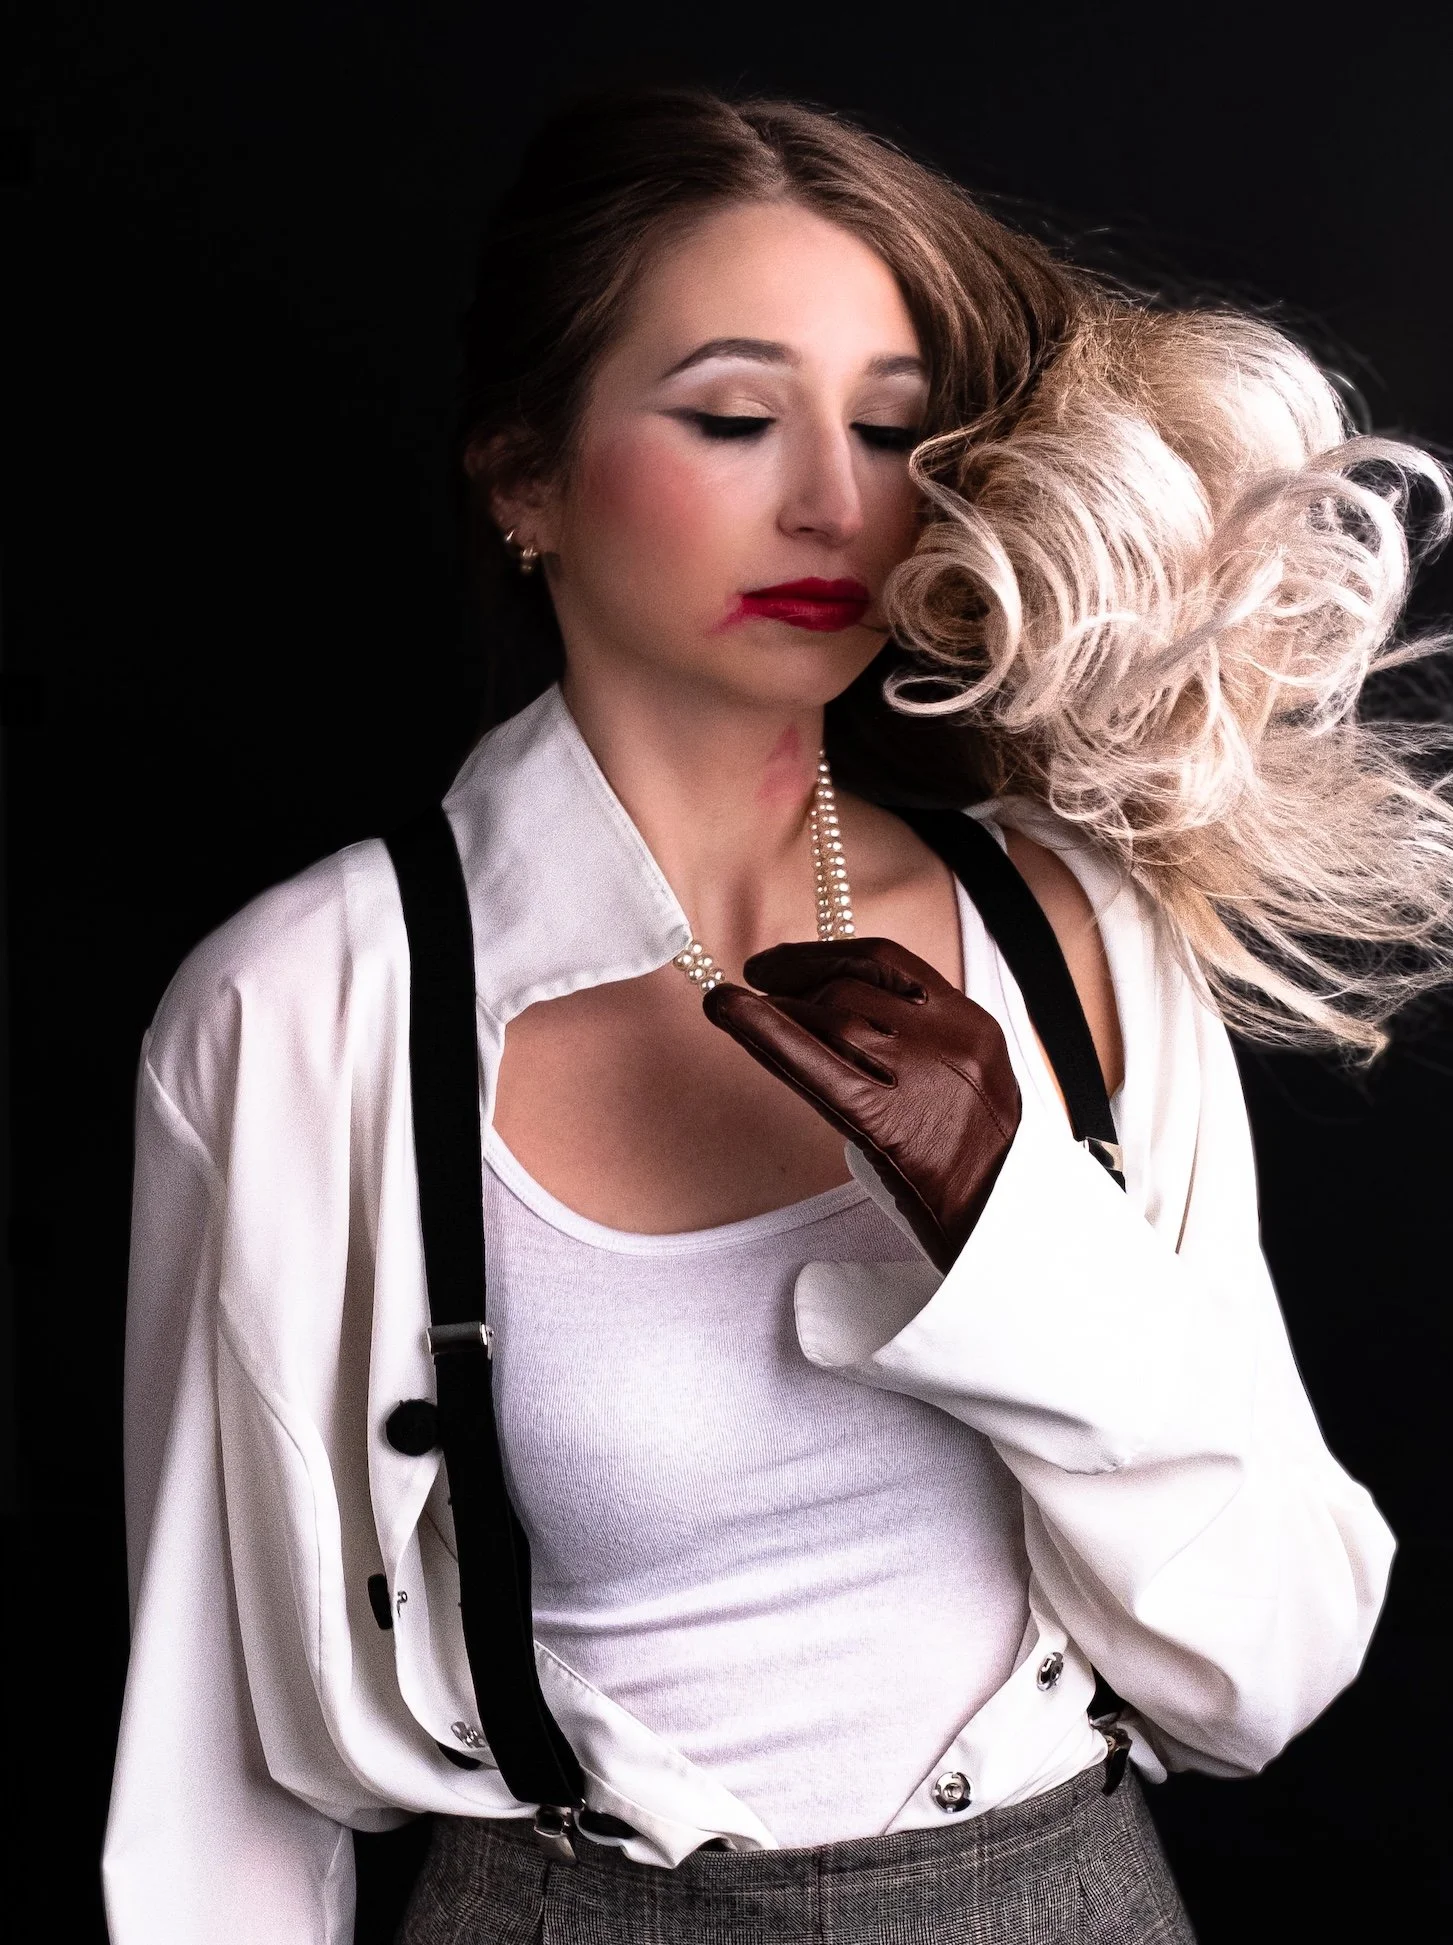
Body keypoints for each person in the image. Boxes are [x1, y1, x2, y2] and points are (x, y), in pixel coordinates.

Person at [103, 87, 1453, 1945]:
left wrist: (1011, 1224)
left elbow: (1271, 1666)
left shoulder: (1077, 938)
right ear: (523, 474)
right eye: (734, 417)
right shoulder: (305, 1013)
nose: (836, 496)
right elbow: (211, 1800)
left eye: (896, 429)